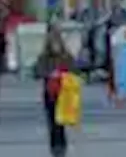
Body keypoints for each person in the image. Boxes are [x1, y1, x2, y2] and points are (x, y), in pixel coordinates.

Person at [35, 26, 75, 157]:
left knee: (61, 120)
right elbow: (38, 71)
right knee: (52, 119)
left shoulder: (66, 56)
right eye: (53, 43)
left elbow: (73, 69)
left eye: (57, 42)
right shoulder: (44, 57)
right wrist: (49, 74)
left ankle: (62, 144)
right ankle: (54, 144)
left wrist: (64, 73)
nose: (55, 46)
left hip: (64, 91)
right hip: (50, 91)